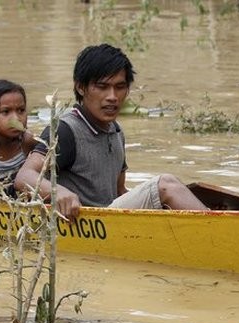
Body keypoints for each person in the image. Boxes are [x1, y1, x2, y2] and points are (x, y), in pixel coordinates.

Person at [15, 43, 208, 220]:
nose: (112, 97)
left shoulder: (116, 131)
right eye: (102, 87)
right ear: (81, 88)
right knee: (166, 184)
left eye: (120, 87)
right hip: (86, 223)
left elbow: (119, 191)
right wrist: (59, 193)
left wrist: (156, 206)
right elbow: (24, 177)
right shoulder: (65, 130)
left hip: (110, 220)